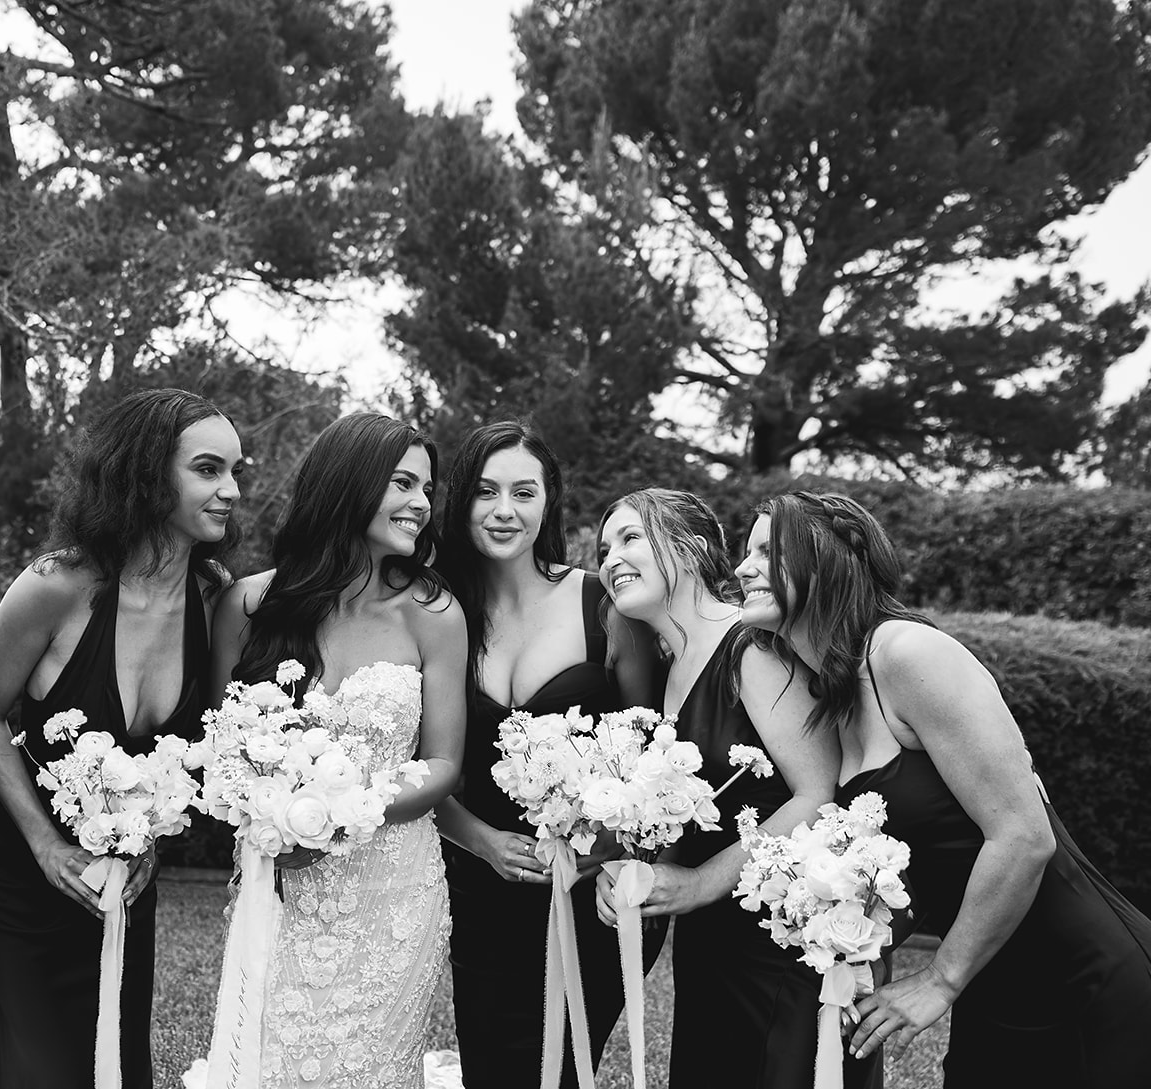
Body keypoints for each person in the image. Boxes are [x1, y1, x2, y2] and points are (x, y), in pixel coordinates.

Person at [736, 491, 1151, 1087]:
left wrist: (940, 978)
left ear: (824, 562)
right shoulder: (835, 693)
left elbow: (1025, 836)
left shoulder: (907, 653)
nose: (742, 568)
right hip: (998, 988)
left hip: (1088, 983)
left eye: (767, 551)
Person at [0, 388, 244, 1089]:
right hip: (19, 865)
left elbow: (195, 751)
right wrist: (45, 843)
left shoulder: (214, 596)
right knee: (44, 1066)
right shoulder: (55, 585)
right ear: (146, 473)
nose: (231, 489)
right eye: (208, 469)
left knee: (117, 1060)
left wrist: (147, 838)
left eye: (237, 470)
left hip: (124, 871)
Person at [210, 411, 467, 1088]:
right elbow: (223, 747)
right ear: (347, 483)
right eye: (403, 482)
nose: (421, 502)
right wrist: (274, 820)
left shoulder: (434, 612)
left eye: (427, 488)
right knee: (271, 1058)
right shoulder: (249, 603)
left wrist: (343, 813)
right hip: (281, 880)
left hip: (394, 887)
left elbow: (443, 762)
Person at [592, 488, 880, 1089]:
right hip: (713, 942)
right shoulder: (671, 669)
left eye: (630, 538)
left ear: (692, 549)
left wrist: (698, 882)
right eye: (603, 548)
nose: (610, 558)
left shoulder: (751, 650)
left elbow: (816, 794)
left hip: (779, 940)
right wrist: (636, 875)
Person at [432, 421, 663, 1088]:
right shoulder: (435, 608)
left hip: (590, 888)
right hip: (481, 888)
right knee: (494, 1067)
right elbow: (419, 761)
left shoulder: (605, 604)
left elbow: (649, 751)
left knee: (563, 1069)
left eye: (523, 491)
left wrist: (614, 845)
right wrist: (480, 841)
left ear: (548, 501)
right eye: (485, 491)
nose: (505, 510)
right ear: (462, 502)